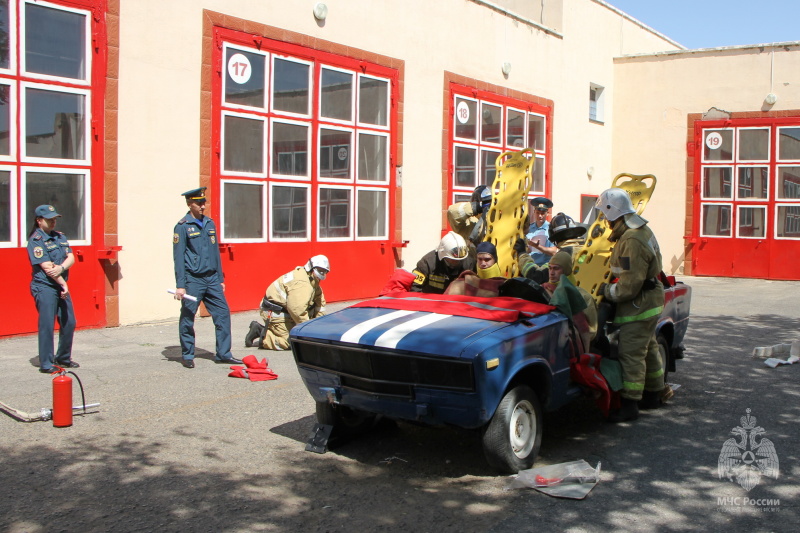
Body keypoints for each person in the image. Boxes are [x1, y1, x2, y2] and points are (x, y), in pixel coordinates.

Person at [595, 188, 665, 423]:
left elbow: (629, 286)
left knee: (632, 353)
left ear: (613, 213)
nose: (605, 222)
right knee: (649, 348)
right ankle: (654, 394)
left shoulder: (631, 241)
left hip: (639, 304)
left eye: (606, 216)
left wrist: (606, 291)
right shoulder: (640, 230)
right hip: (650, 300)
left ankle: (630, 404)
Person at [173, 187, 241, 369]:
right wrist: (181, 285)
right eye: (198, 203)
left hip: (211, 279)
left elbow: (215, 253)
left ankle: (223, 354)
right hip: (193, 279)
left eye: (204, 202)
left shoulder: (210, 223)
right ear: (189, 204)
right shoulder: (182, 226)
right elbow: (178, 258)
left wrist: (220, 278)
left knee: (223, 314)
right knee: (188, 316)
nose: (203, 206)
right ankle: (187, 354)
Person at [27, 205, 79, 373]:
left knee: (69, 322)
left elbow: (71, 257)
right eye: (49, 219)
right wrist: (63, 283)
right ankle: (47, 364)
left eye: (54, 219)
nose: (53, 222)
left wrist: (62, 269)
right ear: (39, 221)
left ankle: (63, 358)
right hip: (45, 286)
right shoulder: (36, 240)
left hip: (61, 285)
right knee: (47, 324)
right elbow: (47, 267)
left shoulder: (59, 237)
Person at [245, 255, 330, 350]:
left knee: (302, 338)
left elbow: (320, 304)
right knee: (292, 342)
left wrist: (318, 326)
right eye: (319, 270)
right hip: (275, 313)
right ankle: (262, 335)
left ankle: (270, 331)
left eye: (324, 271)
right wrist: (308, 331)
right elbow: (297, 311)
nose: (322, 273)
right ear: (311, 267)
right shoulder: (302, 283)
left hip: (287, 313)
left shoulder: (311, 280)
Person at [410, 231, 475, 293]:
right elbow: (414, 287)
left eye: (460, 259)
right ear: (443, 255)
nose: (457, 261)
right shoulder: (426, 263)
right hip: (432, 301)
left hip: (457, 302)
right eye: (453, 259)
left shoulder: (469, 264)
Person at [525, 197, 556, 264]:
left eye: (542, 213)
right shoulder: (529, 228)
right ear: (534, 212)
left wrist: (538, 247)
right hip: (528, 266)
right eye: (538, 213)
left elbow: (554, 252)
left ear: (547, 213)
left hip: (544, 267)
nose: (540, 216)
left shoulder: (551, 229)